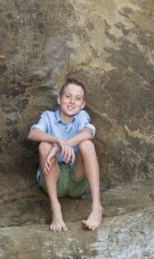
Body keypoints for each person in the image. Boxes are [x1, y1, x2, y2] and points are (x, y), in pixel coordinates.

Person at [29, 77, 101, 234]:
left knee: (87, 144)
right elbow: (33, 133)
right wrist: (58, 142)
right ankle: (56, 209)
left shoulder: (81, 116)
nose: (72, 102)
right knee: (44, 146)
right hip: (54, 180)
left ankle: (96, 208)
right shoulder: (48, 116)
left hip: (77, 181)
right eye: (68, 96)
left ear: (82, 104)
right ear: (59, 99)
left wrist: (62, 146)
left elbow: (88, 132)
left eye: (78, 99)